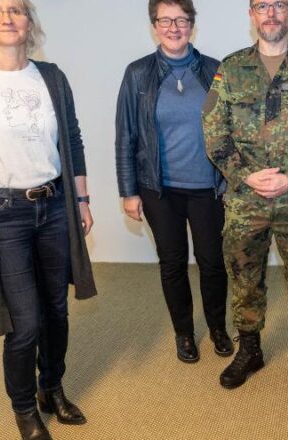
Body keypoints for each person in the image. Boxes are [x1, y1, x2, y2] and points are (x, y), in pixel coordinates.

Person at [0, 1, 97, 439]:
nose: (6, 17)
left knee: (57, 311)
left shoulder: (52, 77)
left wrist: (81, 199)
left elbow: (73, 140)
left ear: (29, 21)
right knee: (24, 322)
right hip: (3, 214)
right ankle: (25, 408)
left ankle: (53, 388)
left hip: (54, 207)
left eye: (16, 8)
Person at [202, 0, 288, 391]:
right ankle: (250, 348)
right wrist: (247, 176)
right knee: (243, 276)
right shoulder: (230, 68)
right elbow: (214, 134)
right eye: (263, 5)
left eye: (279, 5)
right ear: (251, 14)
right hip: (246, 200)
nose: (271, 13)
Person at [115, 0, 233, 364]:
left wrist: (231, 182)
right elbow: (126, 136)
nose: (174, 27)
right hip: (158, 189)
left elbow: (231, 130)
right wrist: (128, 191)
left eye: (182, 20)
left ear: (192, 25)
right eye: (165, 20)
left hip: (207, 188)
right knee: (172, 262)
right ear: (154, 26)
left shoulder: (215, 70)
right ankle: (184, 333)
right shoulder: (138, 74)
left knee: (212, 262)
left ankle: (216, 327)